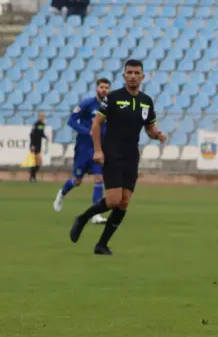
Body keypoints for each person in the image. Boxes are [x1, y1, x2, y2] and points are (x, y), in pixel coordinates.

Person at [69, 60, 167, 255]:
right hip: (112, 152)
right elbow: (96, 124)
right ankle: (82, 218)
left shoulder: (146, 101)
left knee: (124, 202)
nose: (132, 76)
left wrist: (157, 135)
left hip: (131, 155)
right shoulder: (112, 98)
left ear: (142, 76)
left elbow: (149, 127)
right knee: (113, 200)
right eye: (129, 72)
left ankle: (101, 244)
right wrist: (98, 150)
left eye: (136, 72)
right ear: (124, 76)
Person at [53, 78, 111, 224]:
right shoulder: (87, 103)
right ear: (97, 88)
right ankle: (62, 193)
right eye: (102, 87)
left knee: (99, 178)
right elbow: (71, 121)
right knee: (77, 181)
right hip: (84, 149)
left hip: (99, 148)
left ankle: (95, 215)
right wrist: (87, 131)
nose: (104, 90)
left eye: (106, 88)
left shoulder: (110, 107)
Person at [28, 112, 48, 182]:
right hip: (34, 145)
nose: (42, 117)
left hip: (39, 145)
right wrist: (32, 145)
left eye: (43, 116)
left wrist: (46, 137)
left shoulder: (42, 124)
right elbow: (32, 134)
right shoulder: (35, 124)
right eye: (40, 115)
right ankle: (32, 176)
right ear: (38, 116)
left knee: (38, 163)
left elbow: (41, 133)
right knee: (36, 161)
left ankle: (32, 176)